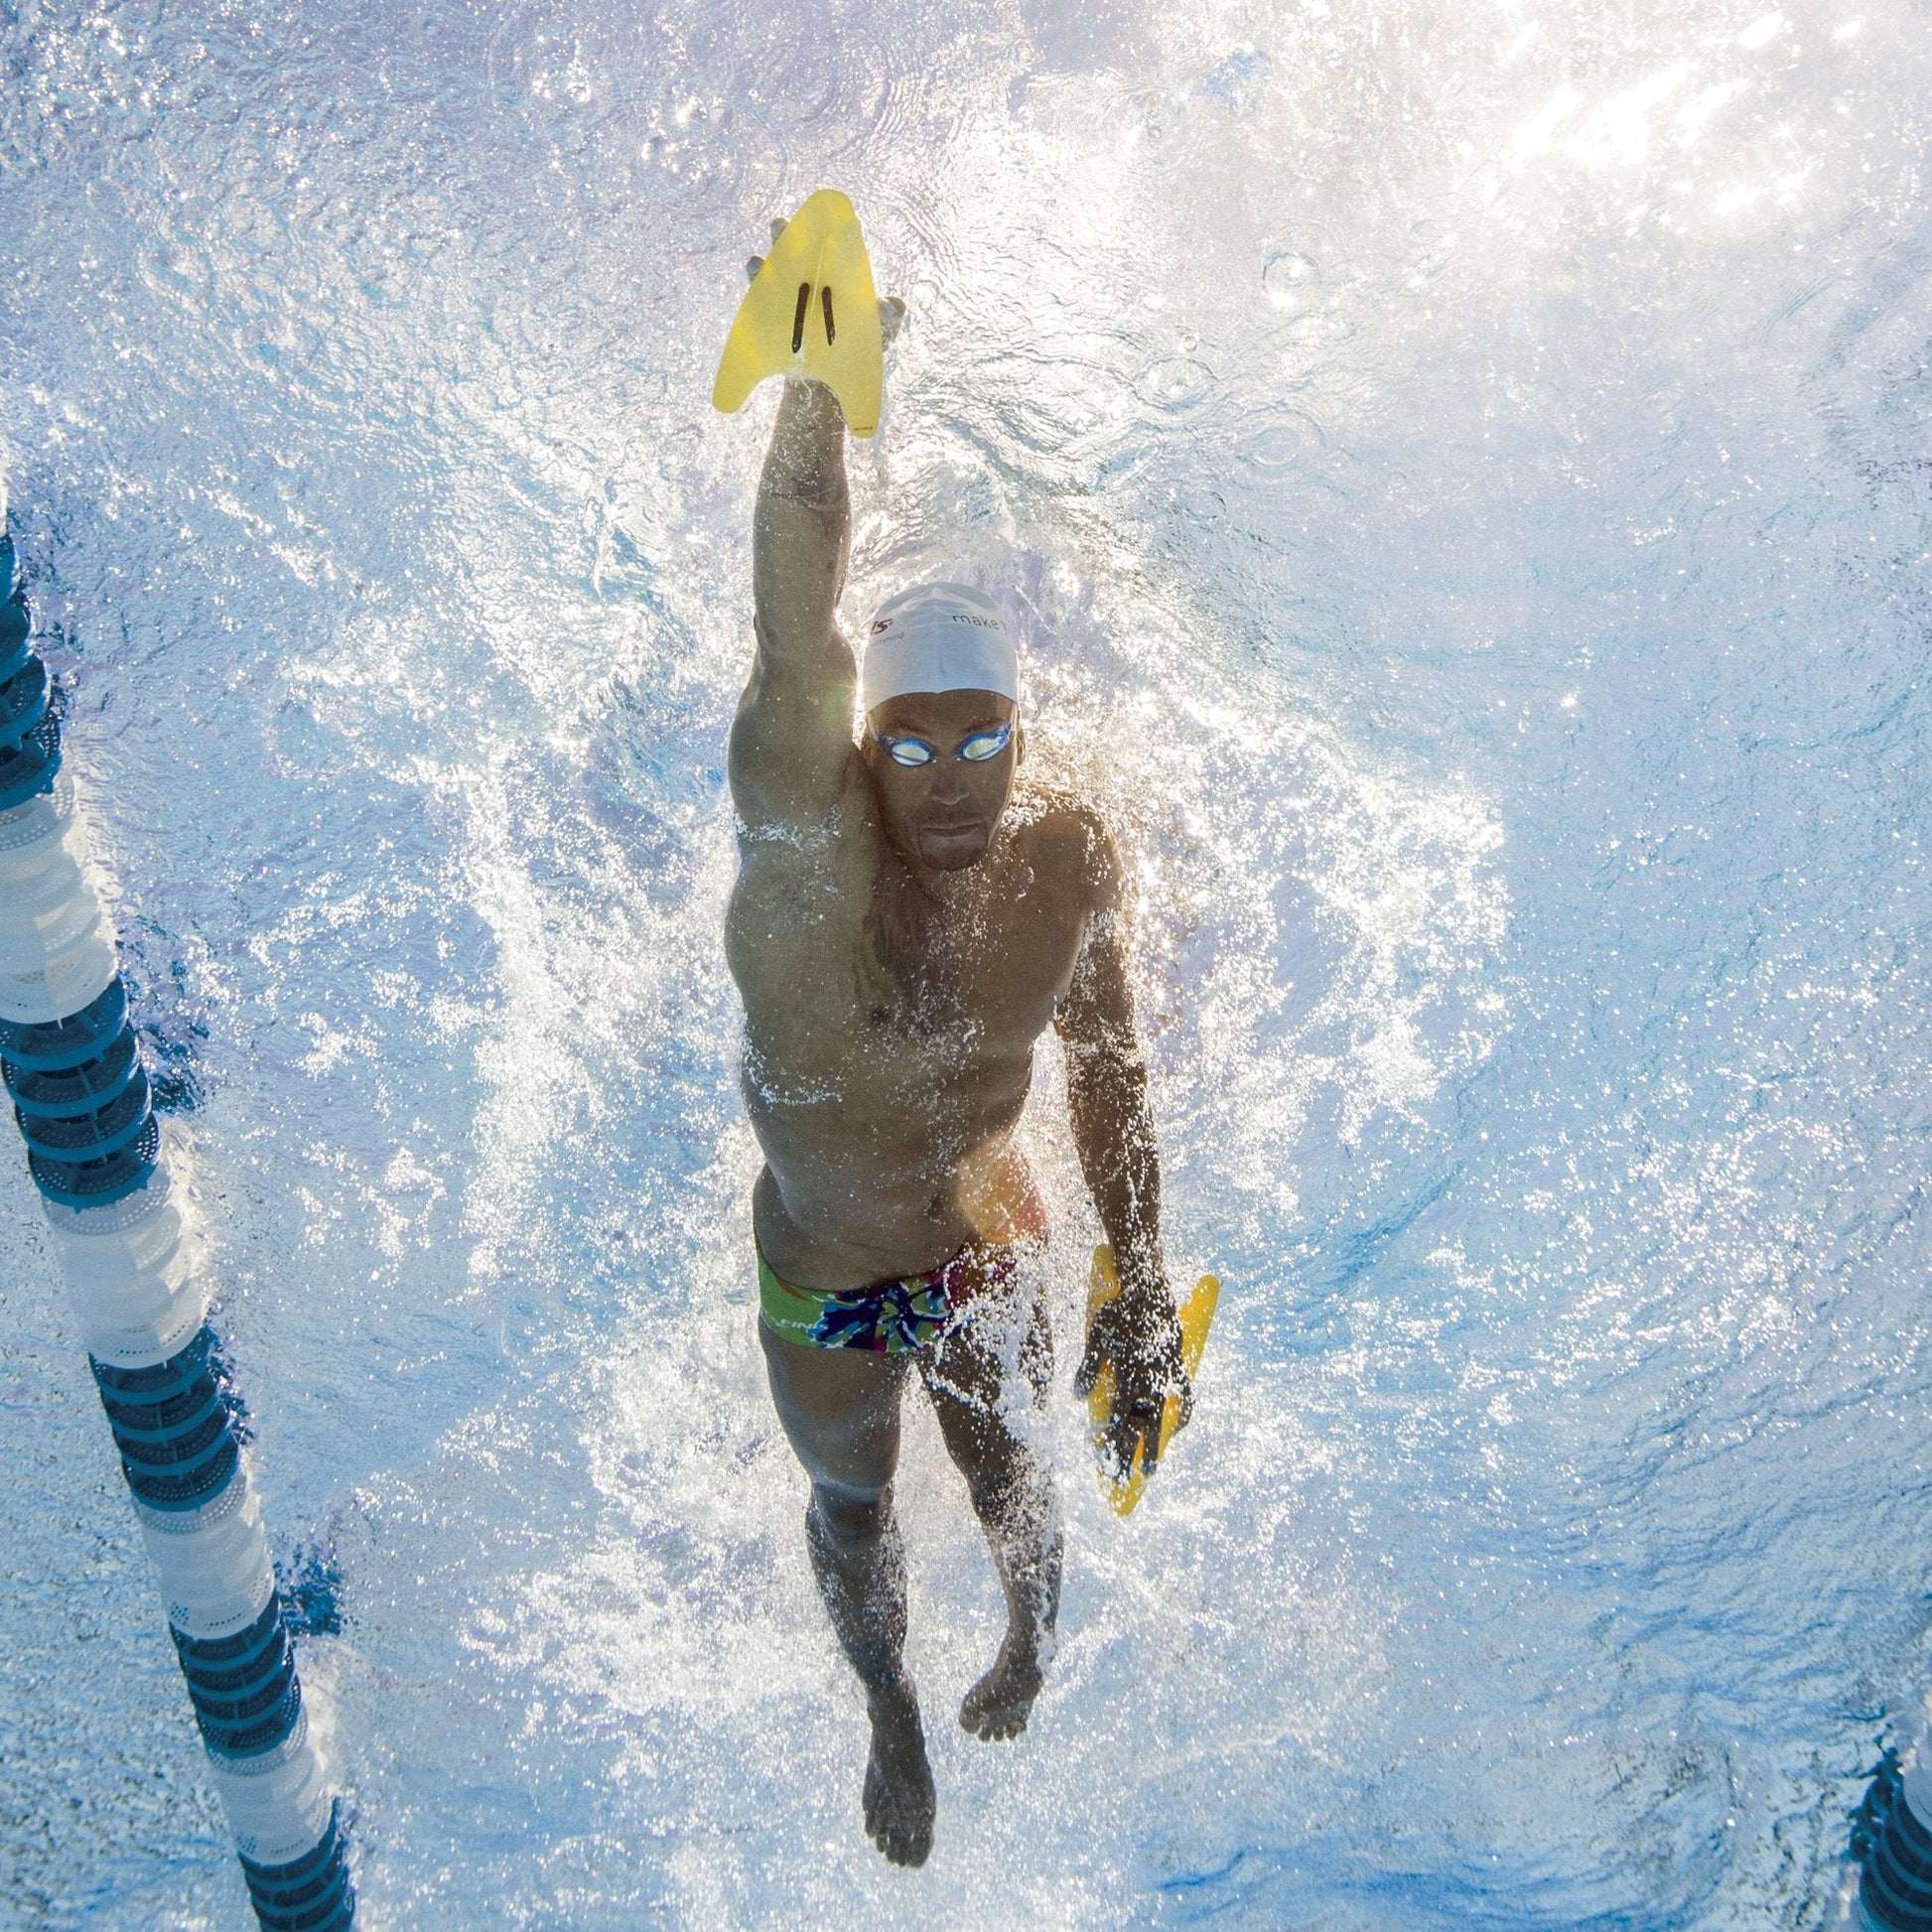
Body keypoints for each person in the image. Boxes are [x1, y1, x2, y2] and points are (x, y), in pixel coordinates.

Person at [724, 219, 1188, 1868]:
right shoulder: (808, 864)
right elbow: (794, 643)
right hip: (829, 1274)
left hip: (986, 1238)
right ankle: (889, 1710)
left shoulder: (1060, 869)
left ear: (1018, 736)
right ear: (863, 751)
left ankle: (1029, 1640)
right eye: (910, 743)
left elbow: (1108, 1071)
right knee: (851, 1506)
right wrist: (814, 403)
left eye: (981, 737)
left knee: (1013, 1479)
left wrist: (1141, 1283)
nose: (947, 777)